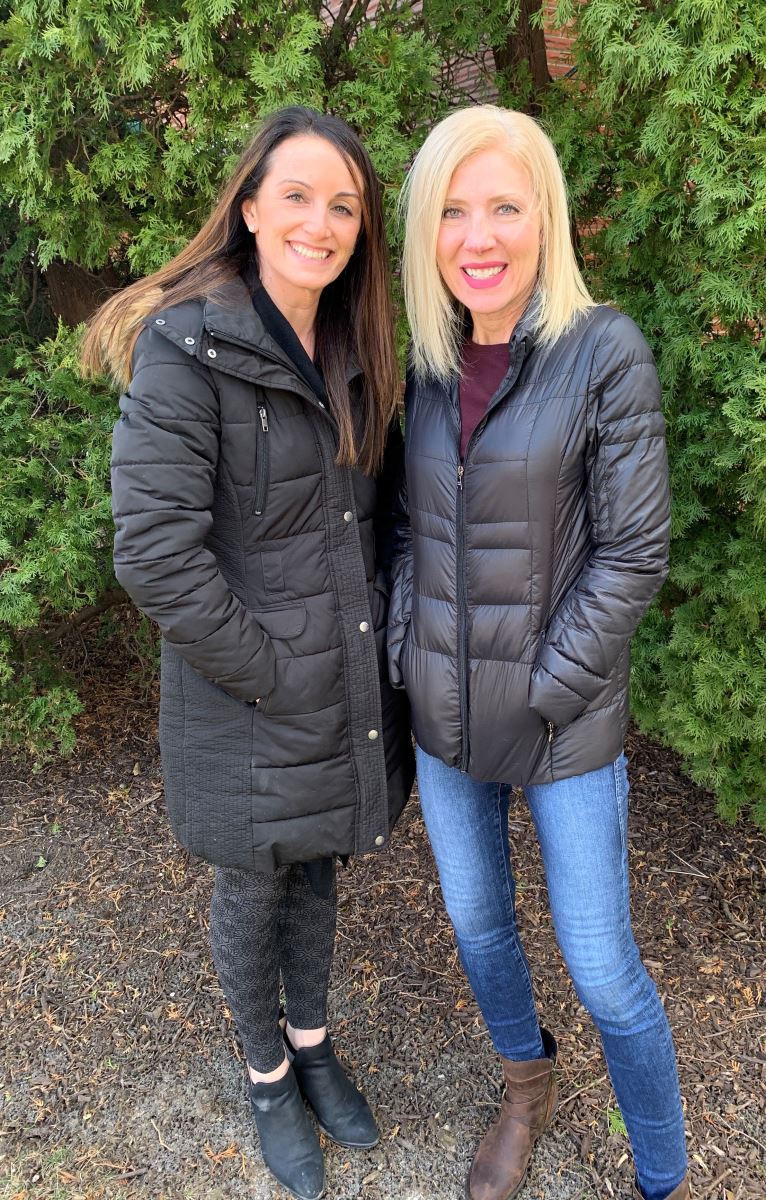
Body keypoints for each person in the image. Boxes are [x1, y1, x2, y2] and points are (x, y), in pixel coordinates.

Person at [81, 106, 414, 1200]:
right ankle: (266, 1072)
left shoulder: (355, 348)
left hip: (339, 673)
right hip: (248, 687)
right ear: (252, 207)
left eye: (344, 206)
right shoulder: (187, 346)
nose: (320, 223)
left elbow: (368, 519)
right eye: (297, 196)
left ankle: (313, 1044)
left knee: (317, 864)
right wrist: (275, 674)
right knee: (252, 882)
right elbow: (155, 556)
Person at [389, 105, 690, 1200]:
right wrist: (407, 654)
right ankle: (526, 1084)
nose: (479, 236)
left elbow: (634, 552)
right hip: (443, 717)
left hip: (562, 722)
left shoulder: (602, 352)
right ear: (427, 231)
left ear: (546, 218)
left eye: (505, 207)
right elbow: (404, 531)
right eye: (453, 211)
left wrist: (542, 690)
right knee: (478, 928)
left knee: (604, 969)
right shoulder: (425, 364)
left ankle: (662, 1172)